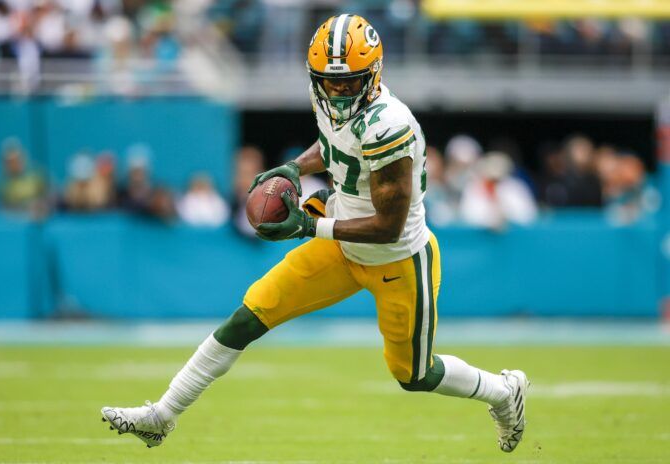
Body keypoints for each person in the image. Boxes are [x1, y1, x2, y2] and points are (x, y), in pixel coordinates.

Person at [101, 15, 529, 454]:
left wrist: (309, 225)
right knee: (249, 315)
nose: (338, 92)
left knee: (414, 375)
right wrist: (294, 167)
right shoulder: (324, 94)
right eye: (329, 83)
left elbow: (388, 226)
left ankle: (502, 391)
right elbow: (331, 143)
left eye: (349, 84)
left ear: (374, 74)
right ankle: (162, 416)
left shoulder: (389, 125)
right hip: (342, 244)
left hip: (397, 259)